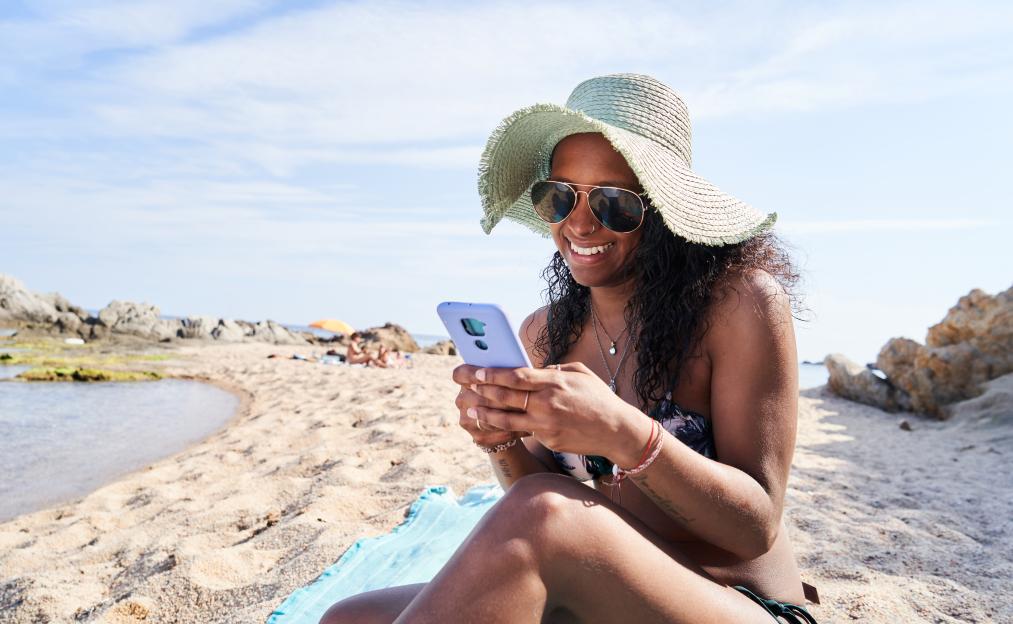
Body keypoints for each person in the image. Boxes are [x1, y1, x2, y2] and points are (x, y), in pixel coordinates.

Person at [322, 74, 818, 623]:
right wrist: (501, 438)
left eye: (613, 203)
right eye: (559, 196)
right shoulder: (545, 332)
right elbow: (541, 502)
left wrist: (624, 432)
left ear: (664, 208)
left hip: (733, 602)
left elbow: (755, 527)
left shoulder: (737, 304)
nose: (579, 222)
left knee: (540, 514)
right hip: (601, 596)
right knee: (349, 618)